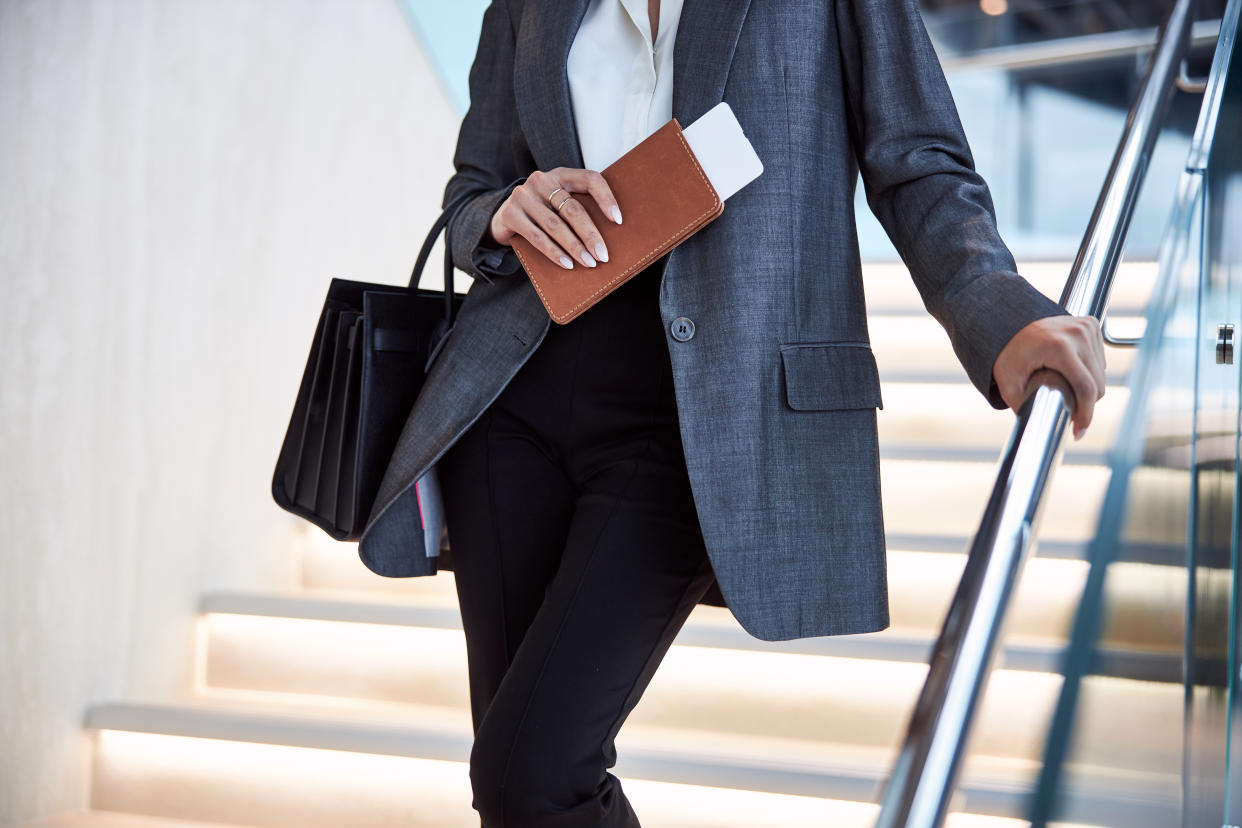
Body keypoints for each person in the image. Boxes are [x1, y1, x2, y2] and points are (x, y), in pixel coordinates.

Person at [358, 0, 1108, 825]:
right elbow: (473, 186)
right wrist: (501, 213)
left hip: (698, 413)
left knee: (529, 775)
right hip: (513, 399)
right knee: (514, 788)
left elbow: (916, 158)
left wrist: (996, 310)